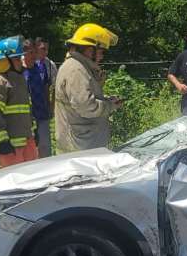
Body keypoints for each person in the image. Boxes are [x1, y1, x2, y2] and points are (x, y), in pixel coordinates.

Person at [54, 23, 122, 153]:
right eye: (101, 52)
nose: (102, 57)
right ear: (90, 50)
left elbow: (83, 101)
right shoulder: (76, 70)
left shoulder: (79, 67)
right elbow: (87, 107)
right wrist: (110, 105)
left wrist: (107, 99)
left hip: (85, 145)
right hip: (80, 150)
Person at [0, 36, 37, 167]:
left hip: (25, 141)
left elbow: (25, 110)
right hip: (10, 146)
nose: (21, 61)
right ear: (5, 61)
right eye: (17, 58)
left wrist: (33, 132)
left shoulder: (18, 79)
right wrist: (2, 141)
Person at [22, 39, 52, 158]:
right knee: (29, 146)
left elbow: (46, 88)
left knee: (44, 144)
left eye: (35, 52)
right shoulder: (19, 69)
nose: (34, 55)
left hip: (41, 110)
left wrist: (49, 106)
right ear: (23, 53)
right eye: (30, 52)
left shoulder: (41, 67)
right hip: (25, 114)